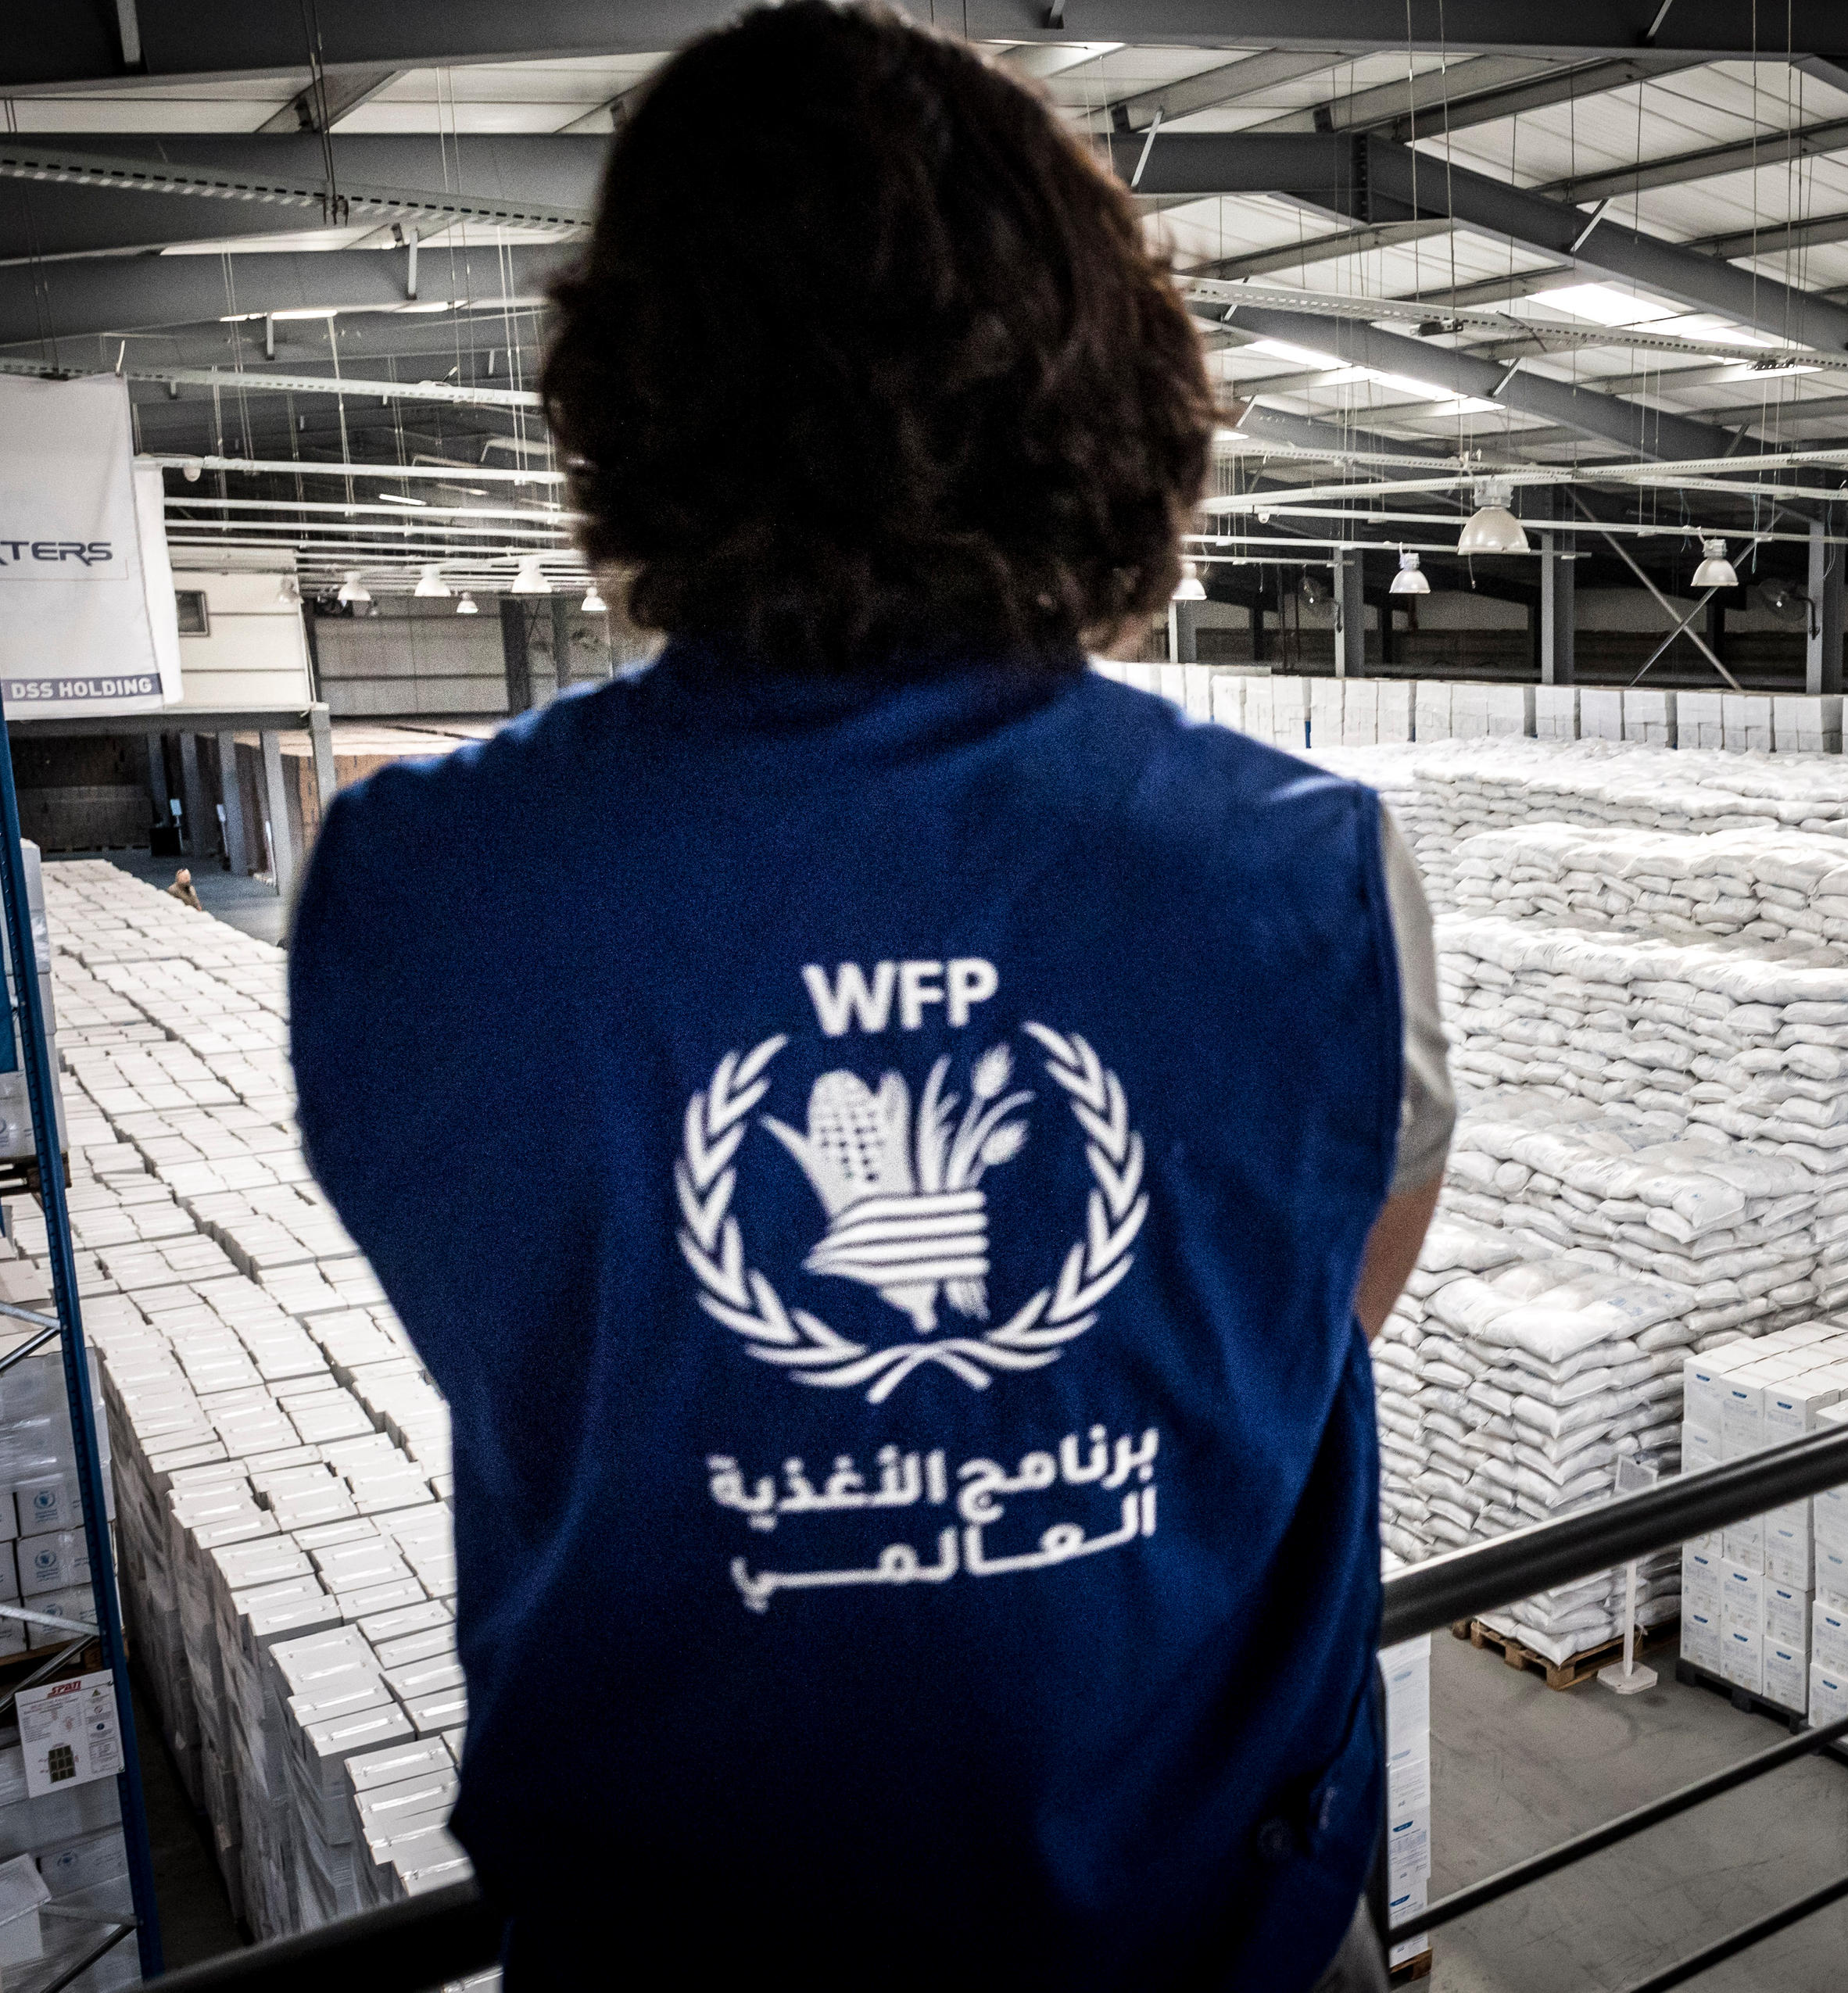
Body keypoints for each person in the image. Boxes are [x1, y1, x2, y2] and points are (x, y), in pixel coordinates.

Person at [285, 8, 1449, 1985]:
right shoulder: (1311, 874)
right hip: (1211, 1927)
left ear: (626, 402)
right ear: (1118, 402)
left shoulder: (404, 888)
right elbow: (1309, 1310)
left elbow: (531, 1345)